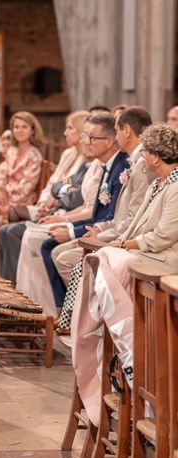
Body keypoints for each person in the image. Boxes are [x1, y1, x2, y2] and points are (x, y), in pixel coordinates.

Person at [72, 122, 178, 425]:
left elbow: (162, 237)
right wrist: (121, 243)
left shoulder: (176, 186)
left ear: (156, 156)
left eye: (146, 152)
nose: (143, 157)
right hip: (143, 254)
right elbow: (134, 227)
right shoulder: (159, 182)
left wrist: (125, 244)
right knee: (102, 257)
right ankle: (102, 328)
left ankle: (119, 329)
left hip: (162, 262)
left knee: (108, 258)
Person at [14, 113, 128, 316]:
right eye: (86, 136)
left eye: (92, 137)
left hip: (107, 234)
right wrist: (69, 226)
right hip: (92, 226)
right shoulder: (105, 166)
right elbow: (60, 188)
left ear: (110, 141)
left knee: (53, 249)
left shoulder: (121, 168)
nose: (87, 142)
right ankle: (42, 305)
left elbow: (108, 216)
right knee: (39, 240)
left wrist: (71, 230)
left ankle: (72, 313)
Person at [52, 106, 154, 333]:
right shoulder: (132, 162)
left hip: (130, 240)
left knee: (73, 260)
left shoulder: (140, 165)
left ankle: (96, 324)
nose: (116, 137)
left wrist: (108, 238)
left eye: (117, 131)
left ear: (126, 130)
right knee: (65, 255)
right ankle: (81, 319)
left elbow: (135, 218)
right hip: (119, 233)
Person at [0, 110, 91, 282]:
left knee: (10, 229)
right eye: (16, 127)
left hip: (56, 210)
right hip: (48, 206)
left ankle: (17, 284)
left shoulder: (88, 160)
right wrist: (44, 202)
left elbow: (72, 194)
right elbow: (54, 184)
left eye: (69, 128)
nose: (65, 132)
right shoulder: (68, 153)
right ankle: (4, 281)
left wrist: (56, 195)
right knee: (4, 230)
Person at [0, 111, 45, 226]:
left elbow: (26, 188)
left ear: (32, 130)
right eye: (16, 127)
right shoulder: (11, 151)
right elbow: (1, 176)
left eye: (24, 127)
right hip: (3, 195)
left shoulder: (34, 155)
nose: (20, 130)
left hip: (20, 201)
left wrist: (4, 193)